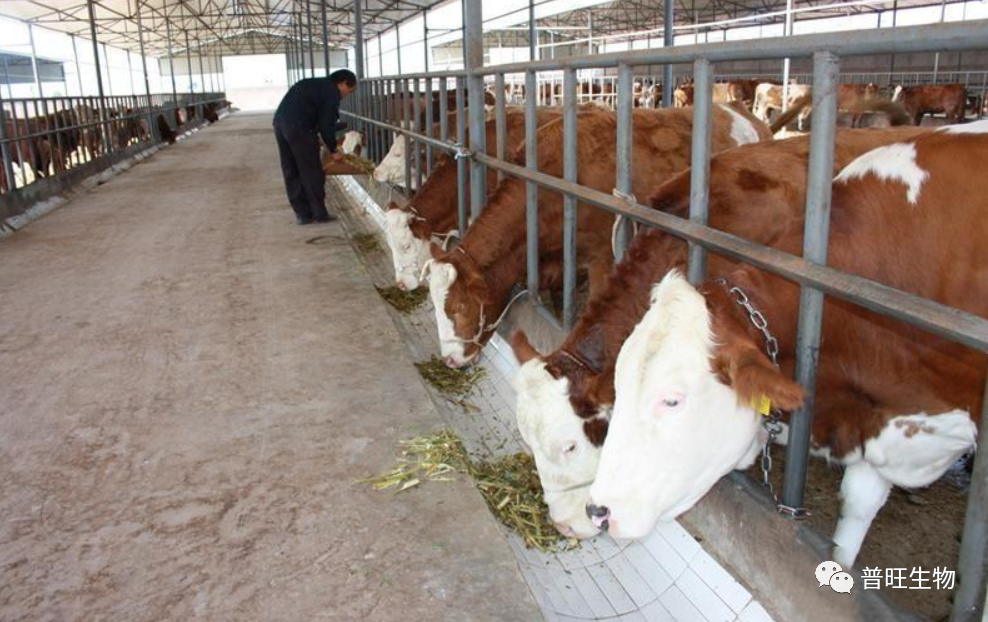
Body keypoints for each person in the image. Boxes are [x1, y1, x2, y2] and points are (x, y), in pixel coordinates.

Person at [273, 69, 357, 225]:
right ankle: (319, 213)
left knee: (291, 169)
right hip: (300, 128)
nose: (347, 95)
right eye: (350, 90)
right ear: (343, 83)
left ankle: (302, 214)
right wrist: (333, 149)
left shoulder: (311, 83)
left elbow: (309, 113)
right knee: (311, 171)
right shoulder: (332, 93)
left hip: (280, 124)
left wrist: (315, 136)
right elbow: (326, 124)